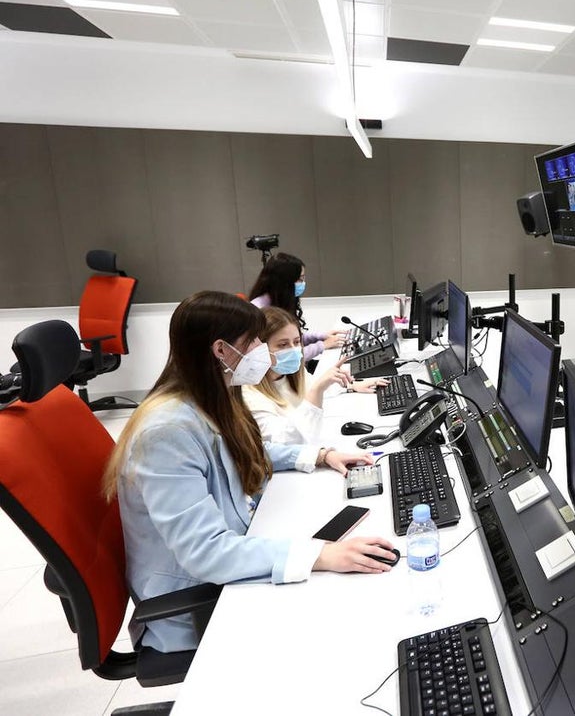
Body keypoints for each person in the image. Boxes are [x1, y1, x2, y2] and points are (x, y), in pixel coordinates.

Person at [104, 291, 395, 654]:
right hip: (198, 602)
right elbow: (205, 552)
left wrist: (319, 455)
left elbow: (244, 452)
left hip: (226, 565)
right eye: (254, 341)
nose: (262, 350)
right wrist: (319, 556)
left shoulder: (208, 395)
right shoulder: (166, 432)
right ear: (221, 350)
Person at [244, 306, 386, 445]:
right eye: (283, 345)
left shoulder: (289, 373)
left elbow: (312, 387)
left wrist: (351, 385)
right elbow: (288, 440)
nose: (294, 350)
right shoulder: (248, 394)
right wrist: (317, 389)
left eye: (297, 342)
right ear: (259, 349)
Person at [248, 252, 344, 363]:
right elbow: (284, 357)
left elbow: (290, 340)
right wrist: (322, 346)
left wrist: (320, 336)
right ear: (285, 282)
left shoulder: (279, 300)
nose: (302, 283)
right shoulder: (259, 311)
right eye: (299, 279)